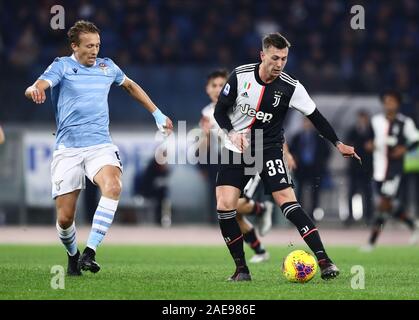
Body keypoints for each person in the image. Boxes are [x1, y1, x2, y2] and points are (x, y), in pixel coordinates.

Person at [24, 20, 173, 276]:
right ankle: (73, 256)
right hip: (68, 149)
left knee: (113, 186)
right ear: (75, 46)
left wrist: (157, 113)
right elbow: (38, 86)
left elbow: (130, 85)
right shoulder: (62, 66)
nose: (94, 50)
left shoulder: (107, 67)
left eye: (98, 45)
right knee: (64, 219)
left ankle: (90, 252)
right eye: (89, 46)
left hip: (100, 145)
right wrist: (33, 90)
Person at [213, 32, 360, 281]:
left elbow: (316, 117)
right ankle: (241, 269)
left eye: (284, 59)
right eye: (274, 58)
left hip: (269, 148)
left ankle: (324, 260)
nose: (279, 64)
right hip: (238, 149)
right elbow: (220, 111)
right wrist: (232, 132)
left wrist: (338, 143)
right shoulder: (240, 75)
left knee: (287, 201)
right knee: (225, 206)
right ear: (262, 55)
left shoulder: (291, 87)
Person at [200, 69, 292, 263]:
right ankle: (260, 251)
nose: (217, 89)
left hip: (254, 158)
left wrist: (286, 152)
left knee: (232, 207)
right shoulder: (207, 114)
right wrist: (206, 134)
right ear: (207, 89)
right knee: (231, 213)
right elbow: (203, 149)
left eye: (221, 85)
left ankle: (260, 209)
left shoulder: (241, 103)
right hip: (232, 161)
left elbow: (270, 128)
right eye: (213, 86)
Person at [363, 90, 419, 251]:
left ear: (398, 104)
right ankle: (412, 223)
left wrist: (404, 149)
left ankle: (371, 242)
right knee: (388, 206)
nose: (389, 104)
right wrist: (369, 145)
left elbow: (415, 139)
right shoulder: (376, 121)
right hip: (378, 169)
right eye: (386, 101)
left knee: (383, 204)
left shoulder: (405, 122)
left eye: (392, 101)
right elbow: (367, 141)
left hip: (394, 171)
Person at [290, 118, 331, 219]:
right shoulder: (297, 137)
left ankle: (313, 215)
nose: (306, 124)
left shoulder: (319, 137)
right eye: (305, 122)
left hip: (315, 169)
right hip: (301, 169)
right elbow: (291, 151)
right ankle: (299, 215)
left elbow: (327, 152)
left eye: (308, 122)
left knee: (315, 193)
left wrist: (320, 163)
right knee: (299, 192)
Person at [345, 110, 374, 225]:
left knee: (367, 193)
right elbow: (347, 145)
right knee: (352, 192)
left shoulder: (371, 131)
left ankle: (369, 216)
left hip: (367, 167)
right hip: (354, 167)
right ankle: (350, 217)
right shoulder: (353, 131)